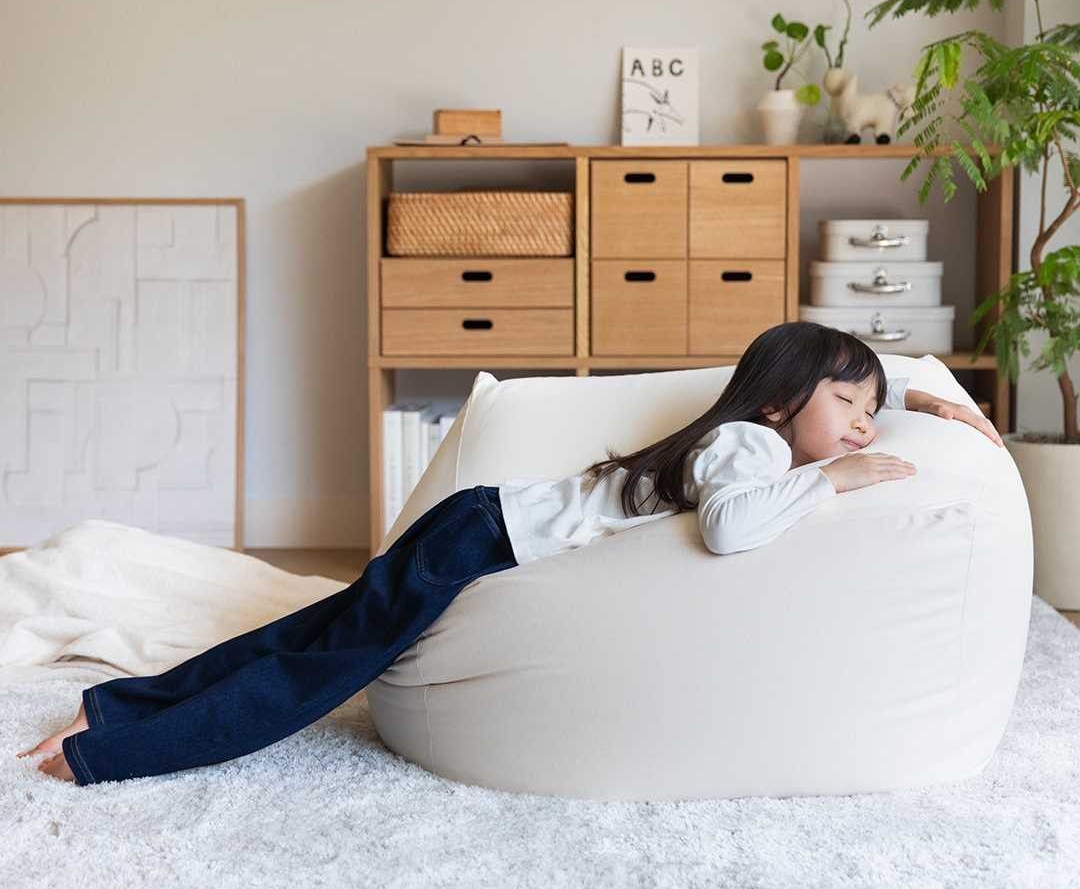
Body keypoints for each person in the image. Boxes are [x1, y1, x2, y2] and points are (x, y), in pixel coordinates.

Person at [17, 321, 1004, 785]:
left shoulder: (764, 435)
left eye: (874, 411)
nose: (866, 425)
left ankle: (117, 706)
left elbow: (854, 397)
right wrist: (833, 479)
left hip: (479, 521)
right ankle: (109, 753)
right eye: (851, 404)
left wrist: (923, 399)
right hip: (480, 539)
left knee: (313, 631)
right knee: (321, 667)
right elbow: (732, 528)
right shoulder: (752, 446)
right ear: (783, 400)